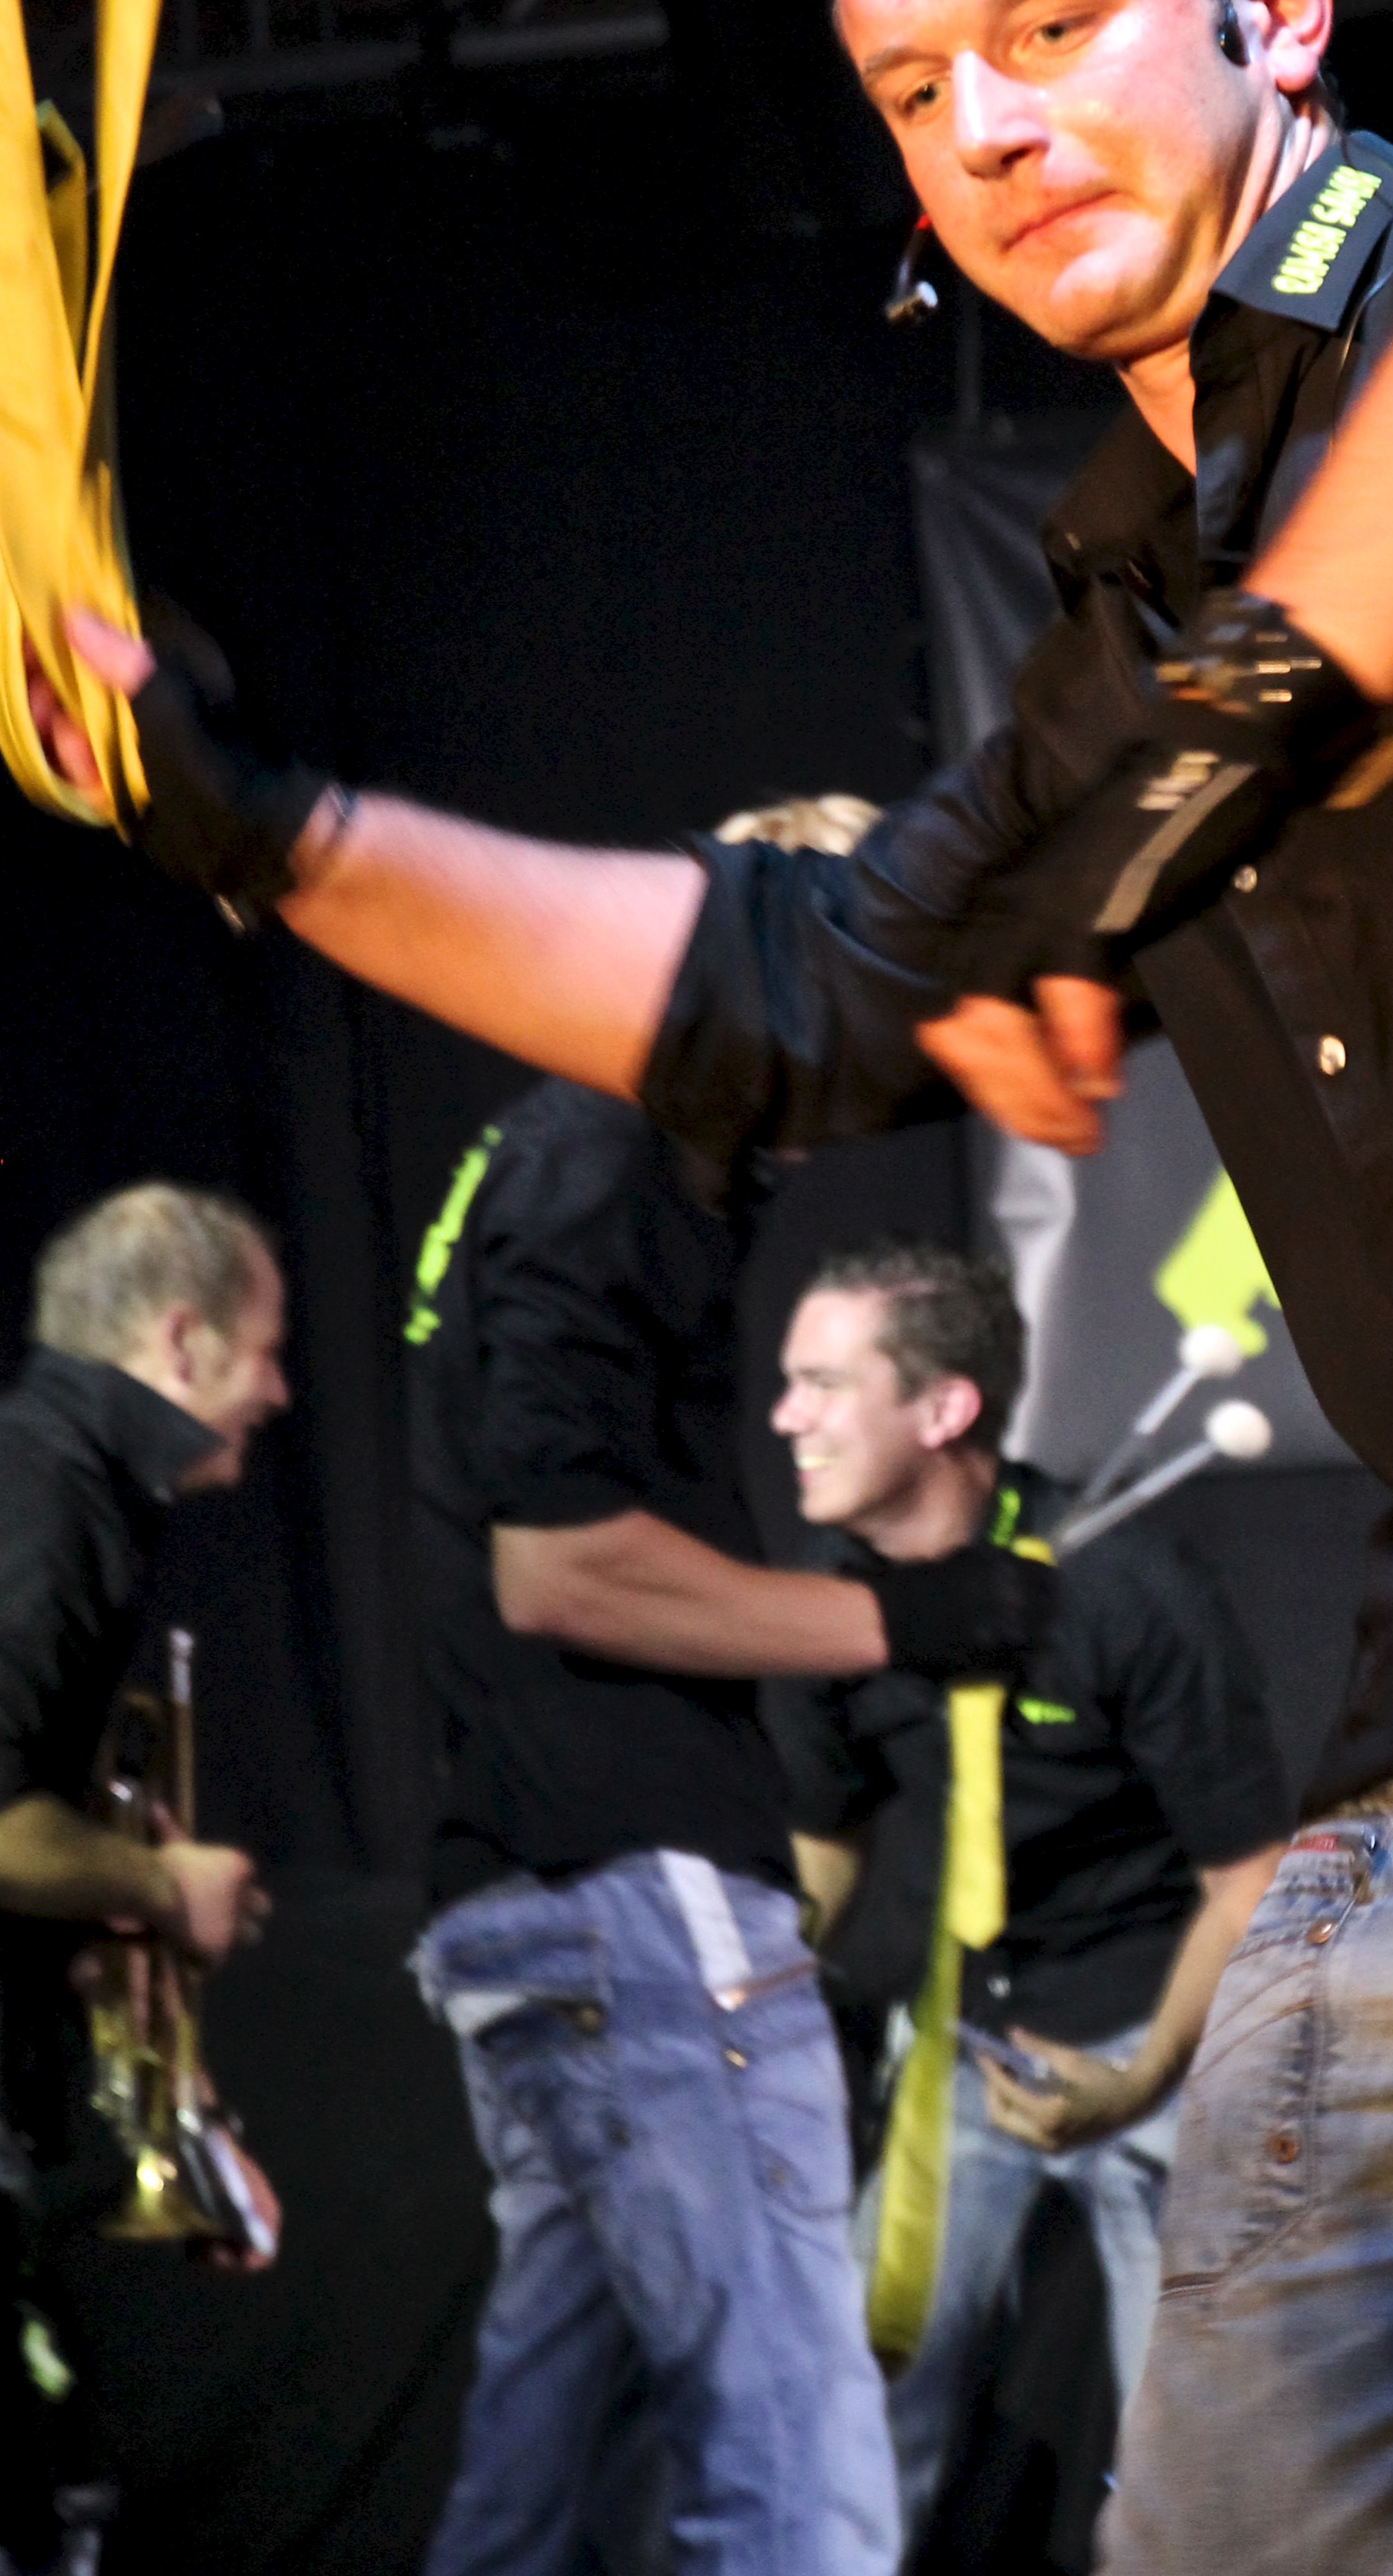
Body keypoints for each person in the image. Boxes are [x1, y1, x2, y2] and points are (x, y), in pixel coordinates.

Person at [30, 0, 1393, 2570]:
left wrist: (1218, 757)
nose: (981, 128)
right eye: (910, 87)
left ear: (1272, 4)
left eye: (1055, 29)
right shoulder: (1114, 625)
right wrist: (264, 831)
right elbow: (783, 985)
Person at [404, 811, 1053, 2576]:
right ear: (766, 957)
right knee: (798, 2474)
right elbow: (559, 1567)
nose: (882, 1055)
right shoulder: (602, 1155)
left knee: (540, 2493)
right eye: (870, 991)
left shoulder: (598, 1157)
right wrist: (895, 1620)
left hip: (542, 1899)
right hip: (636, 1903)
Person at [764, 1239, 1288, 2561]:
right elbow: (825, 1846)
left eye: (822, 1384)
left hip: (1158, 2045)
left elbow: (1250, 1886)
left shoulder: (1127, 1589)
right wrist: (742, 2008)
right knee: (847, 2419)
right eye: (787, 1383)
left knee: (1190, 2478)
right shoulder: (825, 1603)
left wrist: (1142, 2076)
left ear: (942, 1409)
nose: (784, 1417)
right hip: (962, 2041)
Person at [0, 1183, 284, 2576]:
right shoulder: (32, 1495)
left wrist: (197, 2127)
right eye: (264, 1352)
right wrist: (170, 1889)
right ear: (180, 1340)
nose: (278, 1392)